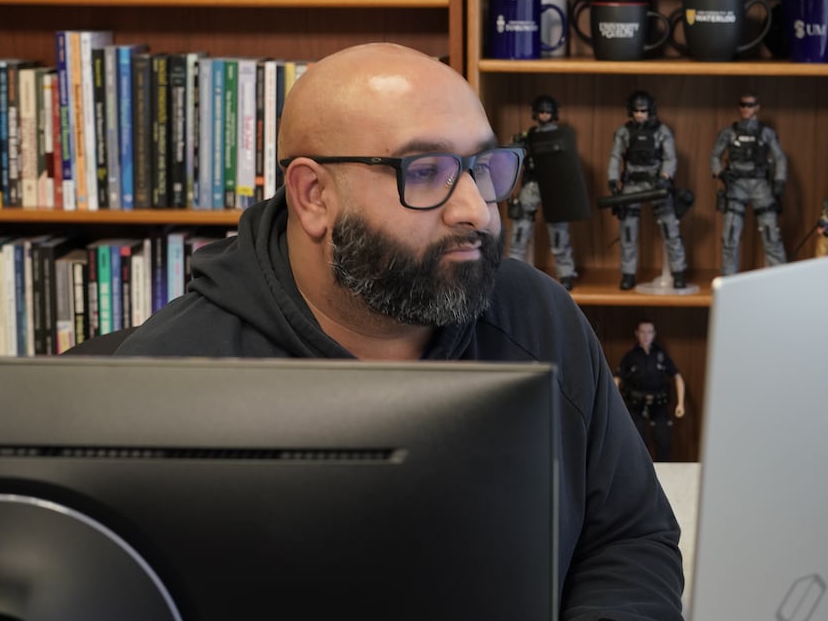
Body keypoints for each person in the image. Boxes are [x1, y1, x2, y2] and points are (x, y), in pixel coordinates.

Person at [115, 44, 685, 620]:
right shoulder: (168, 384)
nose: (476, 210)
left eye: (484, 169)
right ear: (314, 195)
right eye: (426, 171)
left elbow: (629, 538)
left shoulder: (537, 316)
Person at [606, 90, 689, 290]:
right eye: (636, 110)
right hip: (633, 183)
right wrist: (612, 179)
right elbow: (615, 156)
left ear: (650, 110)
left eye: (643, 110)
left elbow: (670, 158)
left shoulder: (661, 131)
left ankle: (678, 272)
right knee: (627, 231)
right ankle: (628, 273)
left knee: (670, 229)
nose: (639, 114)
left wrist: (665, 177)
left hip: (656, 184)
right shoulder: (624, 132)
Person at [710, 92, 788, 276]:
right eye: (743, 105)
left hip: (760, 185)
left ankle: (782, 279)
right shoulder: (729, 133)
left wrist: (779, 181)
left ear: (757, 108)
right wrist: (719, 173)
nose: (746, 109)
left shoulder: (766, 133)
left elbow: (780, 158)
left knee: (771, 234)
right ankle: (728, 279)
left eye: (750, 105)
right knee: (729, 236)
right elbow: (715, 155)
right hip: (736, 185)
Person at [507, 94, 578, 289]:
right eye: (541, 112)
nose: (544, 115)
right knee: (521, 229)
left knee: (558, 234)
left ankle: (566, 272)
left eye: (547, 112)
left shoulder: (562, 136)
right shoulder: (528, 136)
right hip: (532, 185)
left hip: (553, 186)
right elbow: (511, 158)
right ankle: (513, 271)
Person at [614, 319, 686, 462]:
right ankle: (639, 474)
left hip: (659, 404)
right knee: (636, 441)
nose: (646, 335)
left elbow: (677, 377)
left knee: (663, 440)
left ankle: (664, 475)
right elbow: (616, 379)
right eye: (642, 332)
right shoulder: (630, 356)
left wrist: (680, 404)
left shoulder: (661, 355)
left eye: (649, 332)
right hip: (635, 404)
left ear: (654, 334)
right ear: (637, 334)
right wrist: (615, 404)